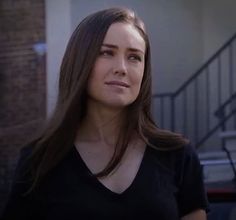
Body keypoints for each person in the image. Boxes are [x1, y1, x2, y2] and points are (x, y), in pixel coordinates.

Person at [1, 7, 209, 220]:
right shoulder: (39, 160)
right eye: (106, 52)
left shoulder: (177, 155)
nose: (122, 68)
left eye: (134, 57)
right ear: (80, 61)